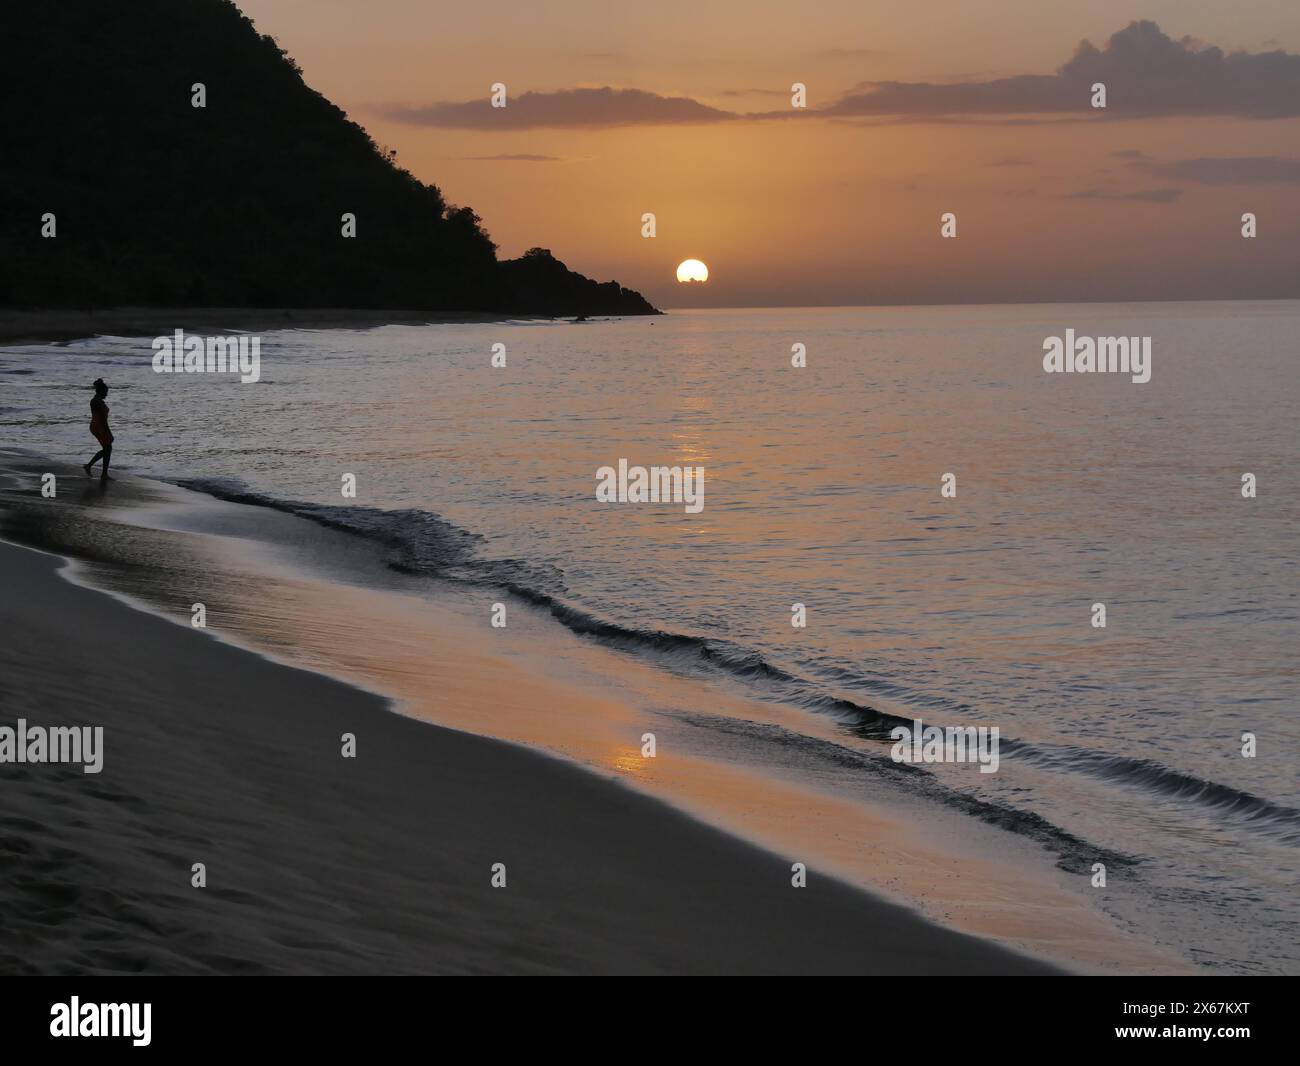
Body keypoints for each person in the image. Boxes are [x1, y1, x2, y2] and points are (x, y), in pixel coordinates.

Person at [84, 378, 114, 480]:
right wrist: (109, 432)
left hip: (97, 425)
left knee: (107, 449)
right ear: (101, 391)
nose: (106, 394)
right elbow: (103, 419)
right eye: (105, 392)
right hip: (99, 426)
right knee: (107, 448)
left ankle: (95, 469)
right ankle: (99, 472)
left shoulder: (96, 400)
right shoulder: (97, 401)